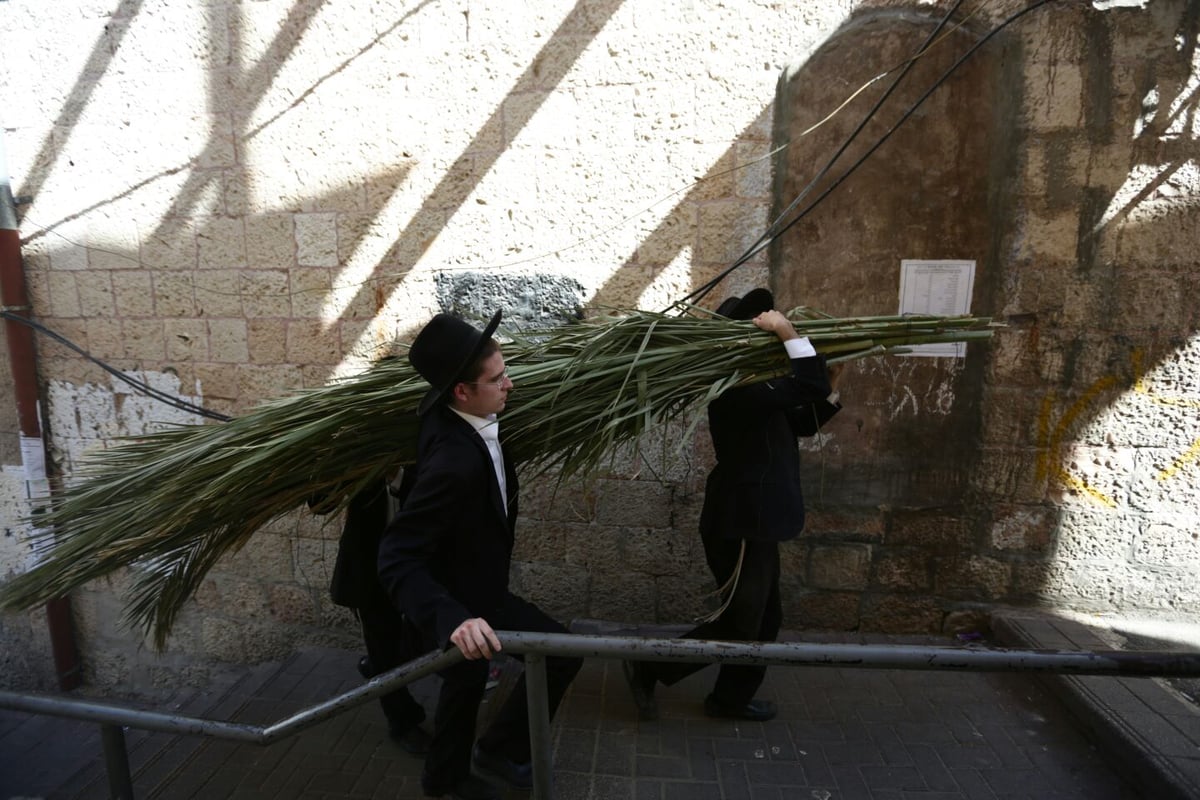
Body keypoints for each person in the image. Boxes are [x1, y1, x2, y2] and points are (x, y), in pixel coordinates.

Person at [377, 311, 582, 800]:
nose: (510, 385)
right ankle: (488, 757)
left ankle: (464, 767)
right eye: (498, 379)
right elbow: (397, 555)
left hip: (477, 583)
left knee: (466, 678)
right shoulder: (453, 460)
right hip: (464, 600)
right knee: (559, 653)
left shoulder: (467, 418)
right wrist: (453, 618)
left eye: (505, 371)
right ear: (462, 392)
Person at [622, 288, 842, 722]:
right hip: (742, 521)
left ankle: (730, 698)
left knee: (764, 619)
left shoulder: (759, 388)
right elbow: (807, 384)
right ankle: (648, 667)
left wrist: (832, 393)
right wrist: (787, 331)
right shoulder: (735, 388)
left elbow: (800, 421)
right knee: (741, 621)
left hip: (758, 521)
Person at [309, 473, 431, 755]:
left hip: (421, 557)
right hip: (370, 561)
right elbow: (320, 505)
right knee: (382, 642)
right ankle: (402, 722)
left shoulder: (428, 437)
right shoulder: (356, 443)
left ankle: (378, 667)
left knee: (428, 636)